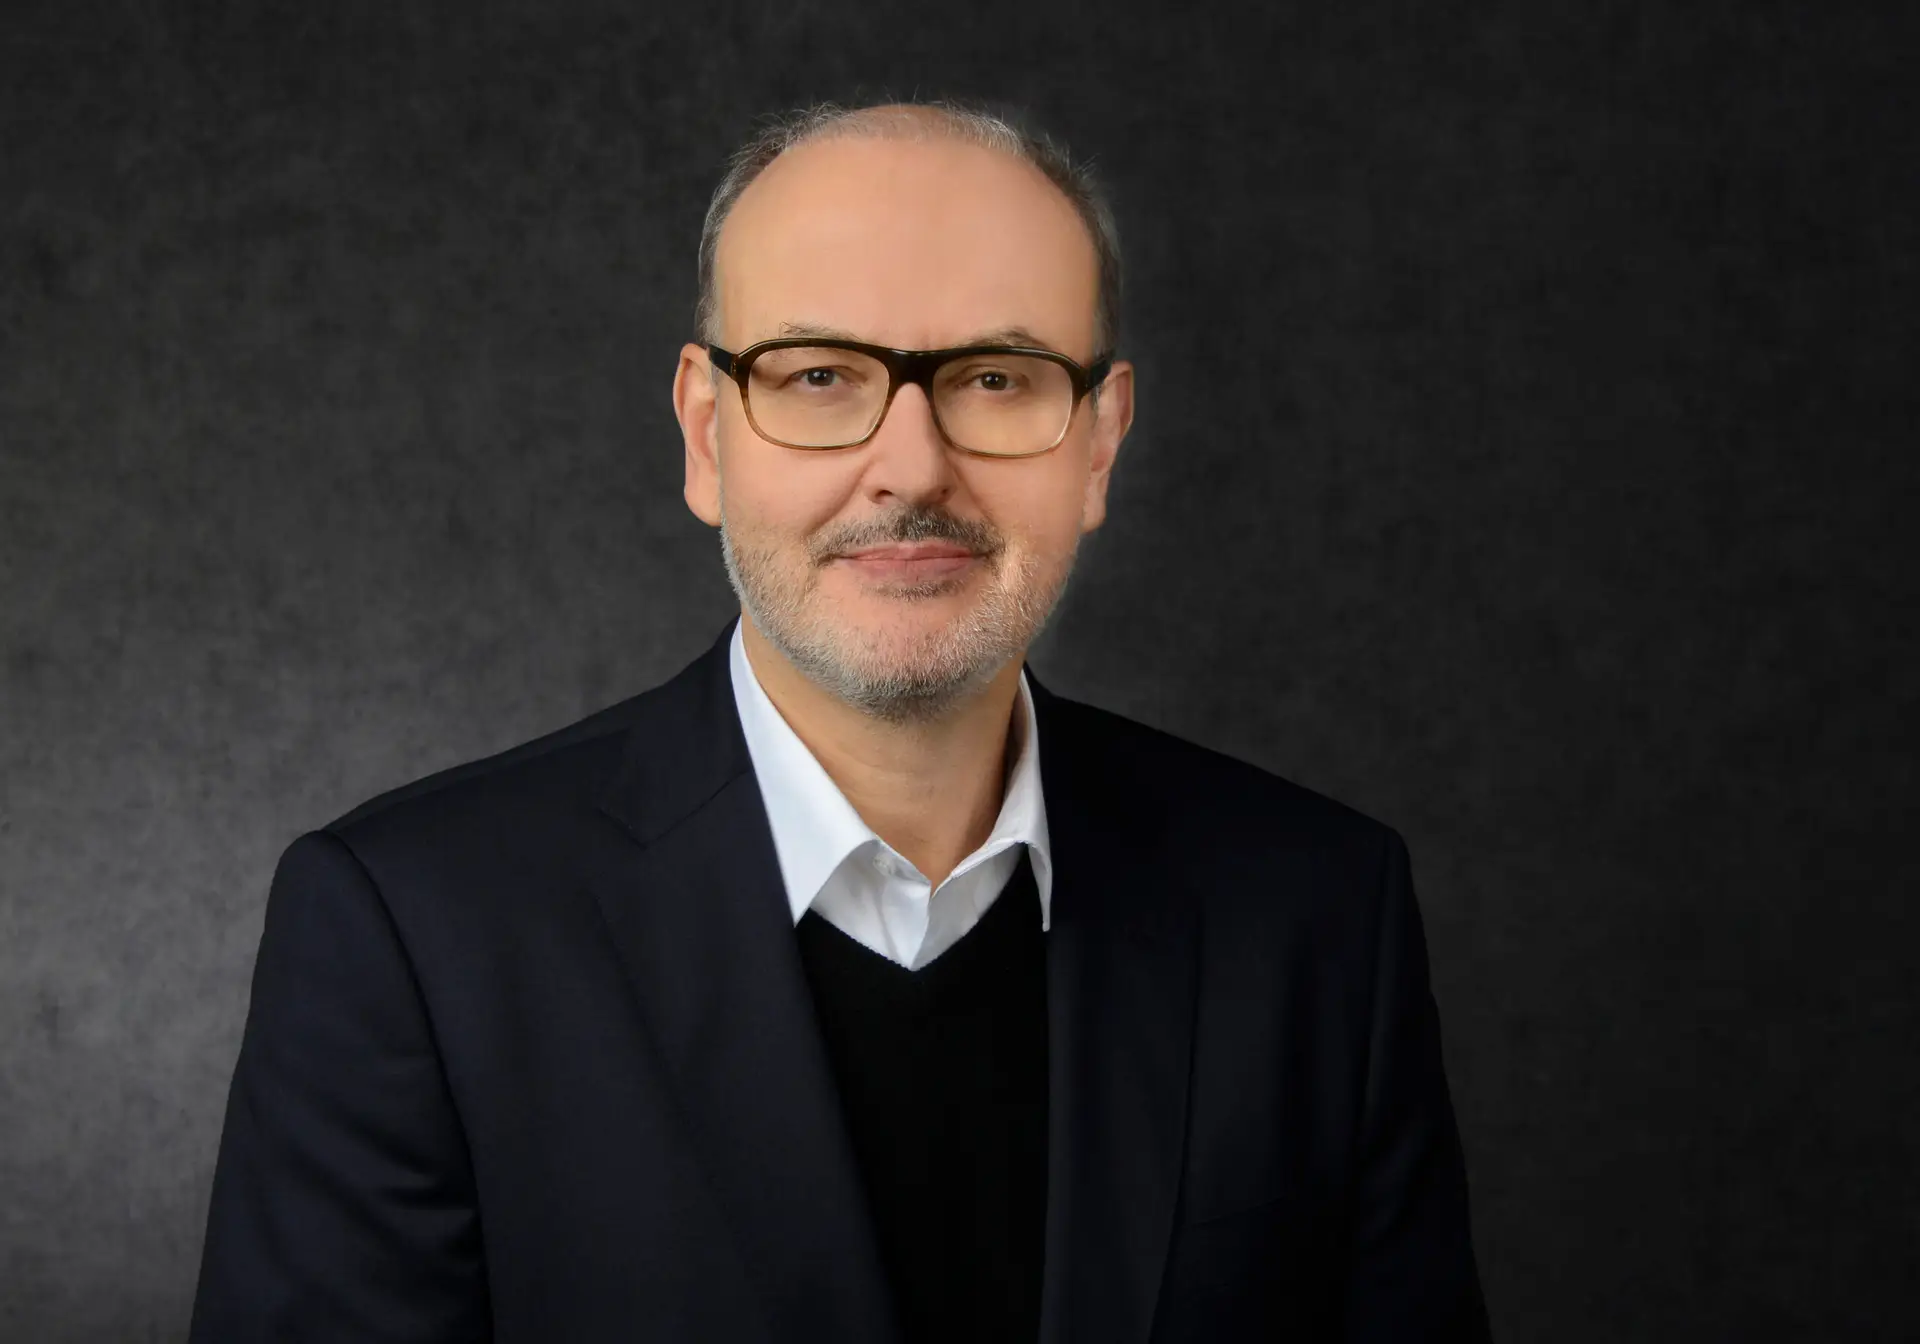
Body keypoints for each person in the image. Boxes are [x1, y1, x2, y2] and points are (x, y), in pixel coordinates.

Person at [188, 98, 1491, 1343]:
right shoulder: (413, 935)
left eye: (997, 377)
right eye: (818, 374)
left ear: (1099, 443)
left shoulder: (1319, 912)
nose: (912, 467)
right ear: (708, 435)